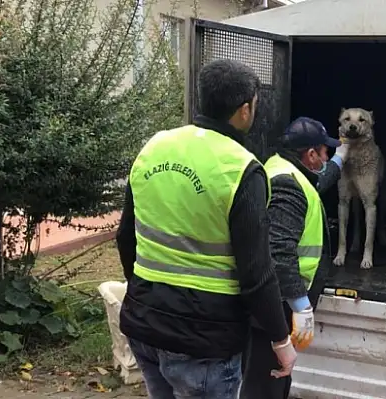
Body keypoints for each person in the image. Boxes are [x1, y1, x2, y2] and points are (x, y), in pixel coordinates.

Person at [115, 59, 296, 399]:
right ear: (244, 110)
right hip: (204, 342)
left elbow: (126, 236)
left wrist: (144, 295)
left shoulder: (154, 146)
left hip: (144, 325)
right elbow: (256, 272)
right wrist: (280, 338)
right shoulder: (240, 168)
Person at [239, 117, 349, 398]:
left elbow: (315, 183)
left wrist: (339, 161)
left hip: (271, 301)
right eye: (326, 153)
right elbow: (279, 253)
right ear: (311, 155)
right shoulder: (288, 185)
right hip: (274, 305)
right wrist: (300, 305)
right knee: (267, 386)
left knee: (270, 381)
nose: (327, 157)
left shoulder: (280, 168)